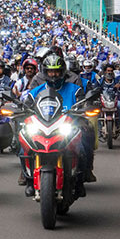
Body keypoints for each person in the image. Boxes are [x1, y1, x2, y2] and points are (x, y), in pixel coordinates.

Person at [28, 55, 94, 195]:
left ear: (62, 71)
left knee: (83, 146)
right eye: (51, 71)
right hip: (41, 128)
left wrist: (85, 110)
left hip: (69, 128)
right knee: (24, 148)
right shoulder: (35, 91)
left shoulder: (75, 90)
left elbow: (83, 104)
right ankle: (28, 179)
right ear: (45, 72)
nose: (54, 74)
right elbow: (25, 106)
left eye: (57, 71)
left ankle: (81, 179)